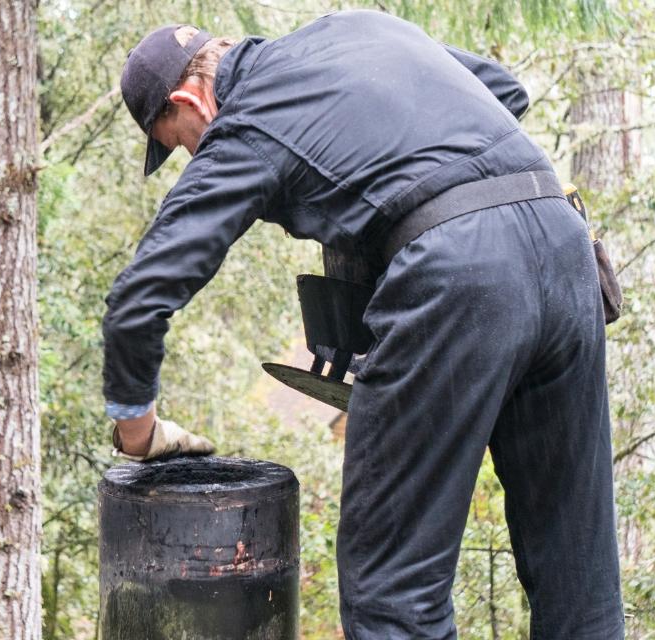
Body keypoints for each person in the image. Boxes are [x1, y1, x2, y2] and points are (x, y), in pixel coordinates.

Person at [103, 10, 624, 639]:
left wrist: (138, 431)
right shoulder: (355, 29)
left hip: (459, 277)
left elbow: (139, 299)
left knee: (391, 596)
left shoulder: (247, 124)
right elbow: (505, 90)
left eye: (182, 141)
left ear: (190, 99)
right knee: (578, 574)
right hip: (566, 250)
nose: (194, 154)